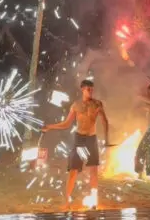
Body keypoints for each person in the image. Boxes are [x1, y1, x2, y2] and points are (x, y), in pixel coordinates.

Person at [42, 79, 109, 209]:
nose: (90, 91)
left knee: (93, 170)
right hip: (79, 139)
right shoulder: (76, 105)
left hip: (91, 139)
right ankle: (67, 201)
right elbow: (66, 124)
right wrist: (50, 127)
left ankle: (94, 201)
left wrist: (107, 139)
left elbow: (105, 121)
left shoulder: (97, 104)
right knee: (73, 170)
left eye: (92, 89)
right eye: (88, 89)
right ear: (82, 89)